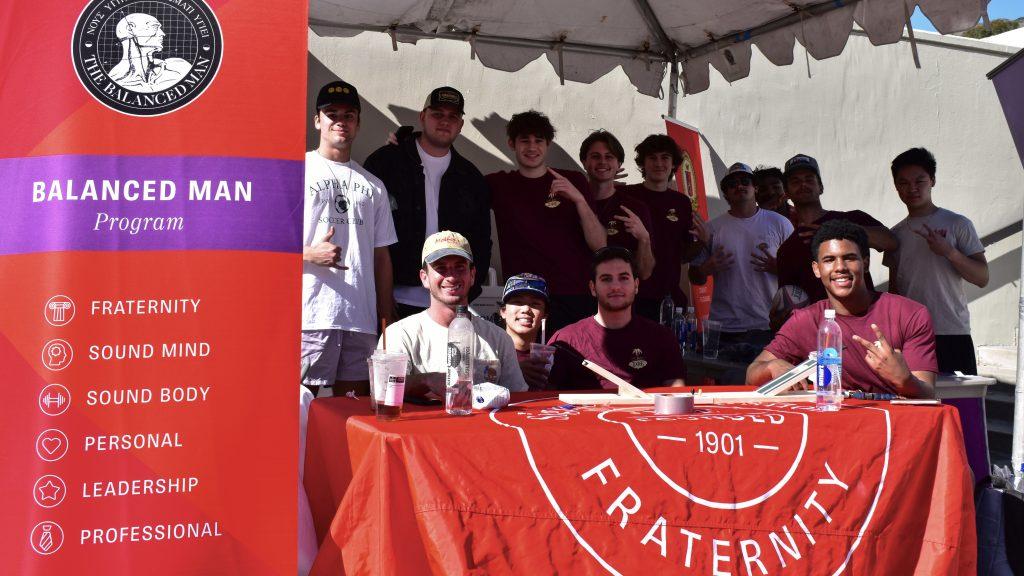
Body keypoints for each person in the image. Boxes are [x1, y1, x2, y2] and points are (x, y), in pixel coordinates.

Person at [747, 219, 937, 398]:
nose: (840, 267)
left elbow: (927, 392)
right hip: (837, 424)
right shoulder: (805, 320)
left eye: (849, 258)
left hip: (898, 425)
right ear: (816, 269)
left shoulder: (910, 314)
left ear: (866, 263)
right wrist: (772, 366)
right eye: (829, 259)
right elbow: (752, 373)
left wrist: (904, 380)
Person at [302, 80, 397, 396]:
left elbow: (381, 256)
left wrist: (386, 318)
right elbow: (264, 240)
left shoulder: (374, 185)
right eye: (332, 114)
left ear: (357, 123)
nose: (340, 121)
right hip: (312, 314)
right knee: (300, 406)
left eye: (349, 115)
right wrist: (309, 254)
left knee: (353, 411)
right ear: (318, 120)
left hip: (361, 318)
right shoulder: (298, 170)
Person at [364, 86, 492, 319]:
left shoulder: (471, 177)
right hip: (392, 299)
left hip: (449, 302)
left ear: (461, 125)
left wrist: (466, 295)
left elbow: (482, 243)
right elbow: (366, 233)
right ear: (422, 117)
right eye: (437, 114)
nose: (445, 121)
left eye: (453, 116)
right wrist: (379, 296)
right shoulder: (385, 163)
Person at [487, 110, 606, 334]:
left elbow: (599, 245)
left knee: (571, 365)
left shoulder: (573, 180)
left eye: (538, 140)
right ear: (512, 144)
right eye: (525, 140)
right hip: (524, 297)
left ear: (548, 144)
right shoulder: (499, 184)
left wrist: (579, 199)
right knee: (526, 366)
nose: (532, 147)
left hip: (573, 294)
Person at [381, 231, 527, 396]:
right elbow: (384, 390)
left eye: (459, 267)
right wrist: (426, 380)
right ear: (424, 278)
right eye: (441, 268)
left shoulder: (499, 338)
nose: (451, 276)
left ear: (472, 275)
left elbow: (518, 398)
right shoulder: (400, 334)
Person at [885, 148, 988, 374]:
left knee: (960, 405)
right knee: (917, 406)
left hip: (951, 332)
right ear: (896, 187)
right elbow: (895, 291)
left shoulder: (958, 223)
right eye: (903, 183)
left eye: (919, 180)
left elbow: (982, 278)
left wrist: (949, 251)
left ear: (932, 180)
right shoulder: (895, 235)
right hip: (911, 336)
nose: (912, 188)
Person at [547, 247, 686, 390]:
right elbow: (546, 400)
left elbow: (677, 395)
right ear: (593, 288)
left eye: (623, 278)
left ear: (636, 285)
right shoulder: (566, 340)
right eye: (606, 279)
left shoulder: (662, 338)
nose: (615, 287)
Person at [689, 163, 793, 352]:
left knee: (766, 382)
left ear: (755, 188)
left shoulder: (780, 223)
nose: (739, 186)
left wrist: (780, 267)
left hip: (768, 325)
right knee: (726, 381)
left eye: (745, 181)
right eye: (732, 184)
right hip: (724, 327)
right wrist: (706, 268)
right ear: (726, 193)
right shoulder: (712, 228)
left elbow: (799, 272)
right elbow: (695, 277)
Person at [775, 154, 898, 308]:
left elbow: (891, 242)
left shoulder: (853, 218)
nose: (803, 185)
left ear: (821, 187)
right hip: (822, 329)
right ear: (786, 193)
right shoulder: (787, 250)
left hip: (866, 321)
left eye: (809, 179)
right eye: (795, 181)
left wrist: (839, 231)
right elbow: (789, 301)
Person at [622, 134, 700, 321]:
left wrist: (702, 242)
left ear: (673, 164)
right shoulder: (625, 195)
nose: (659, 163)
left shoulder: (682, 202)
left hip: (669, 299)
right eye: (652, 158)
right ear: (643, 164)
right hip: (631, 296)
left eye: (665, 157)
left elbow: (684, 256)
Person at [579, 130, 655, 279]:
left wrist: (644, 238)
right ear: (584, 162)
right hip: (574, 294)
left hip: (616, 296)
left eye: (609, 157)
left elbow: (645, 273)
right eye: (595, 156)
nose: (602, 162)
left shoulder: (635, 208)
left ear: (618, 163)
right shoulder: (571, 202)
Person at [109, 13, 191, 92]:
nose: (162, 34)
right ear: (130, 29)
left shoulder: (178, 67)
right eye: (155, 27)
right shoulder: (114, 82)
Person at [498, 273, 553, 390]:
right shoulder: (490, 350)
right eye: (517, 302)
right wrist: (514, 374)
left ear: (545, 315)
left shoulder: (551, 357)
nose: (526, 309)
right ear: (503, 311)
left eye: (535, 304)